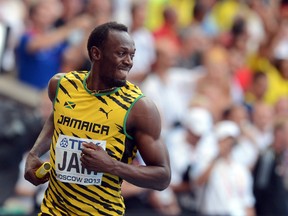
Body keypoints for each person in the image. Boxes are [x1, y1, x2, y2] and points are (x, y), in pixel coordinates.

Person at [24, 21, 171, 216]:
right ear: (96, 53)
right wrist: (34, 154)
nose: (129, 61)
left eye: (132, 55)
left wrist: (112, 165)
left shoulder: (139, 108)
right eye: (121, 53)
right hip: (53, 211)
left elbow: (162, 177)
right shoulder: (61, 86)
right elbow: (56, 117)